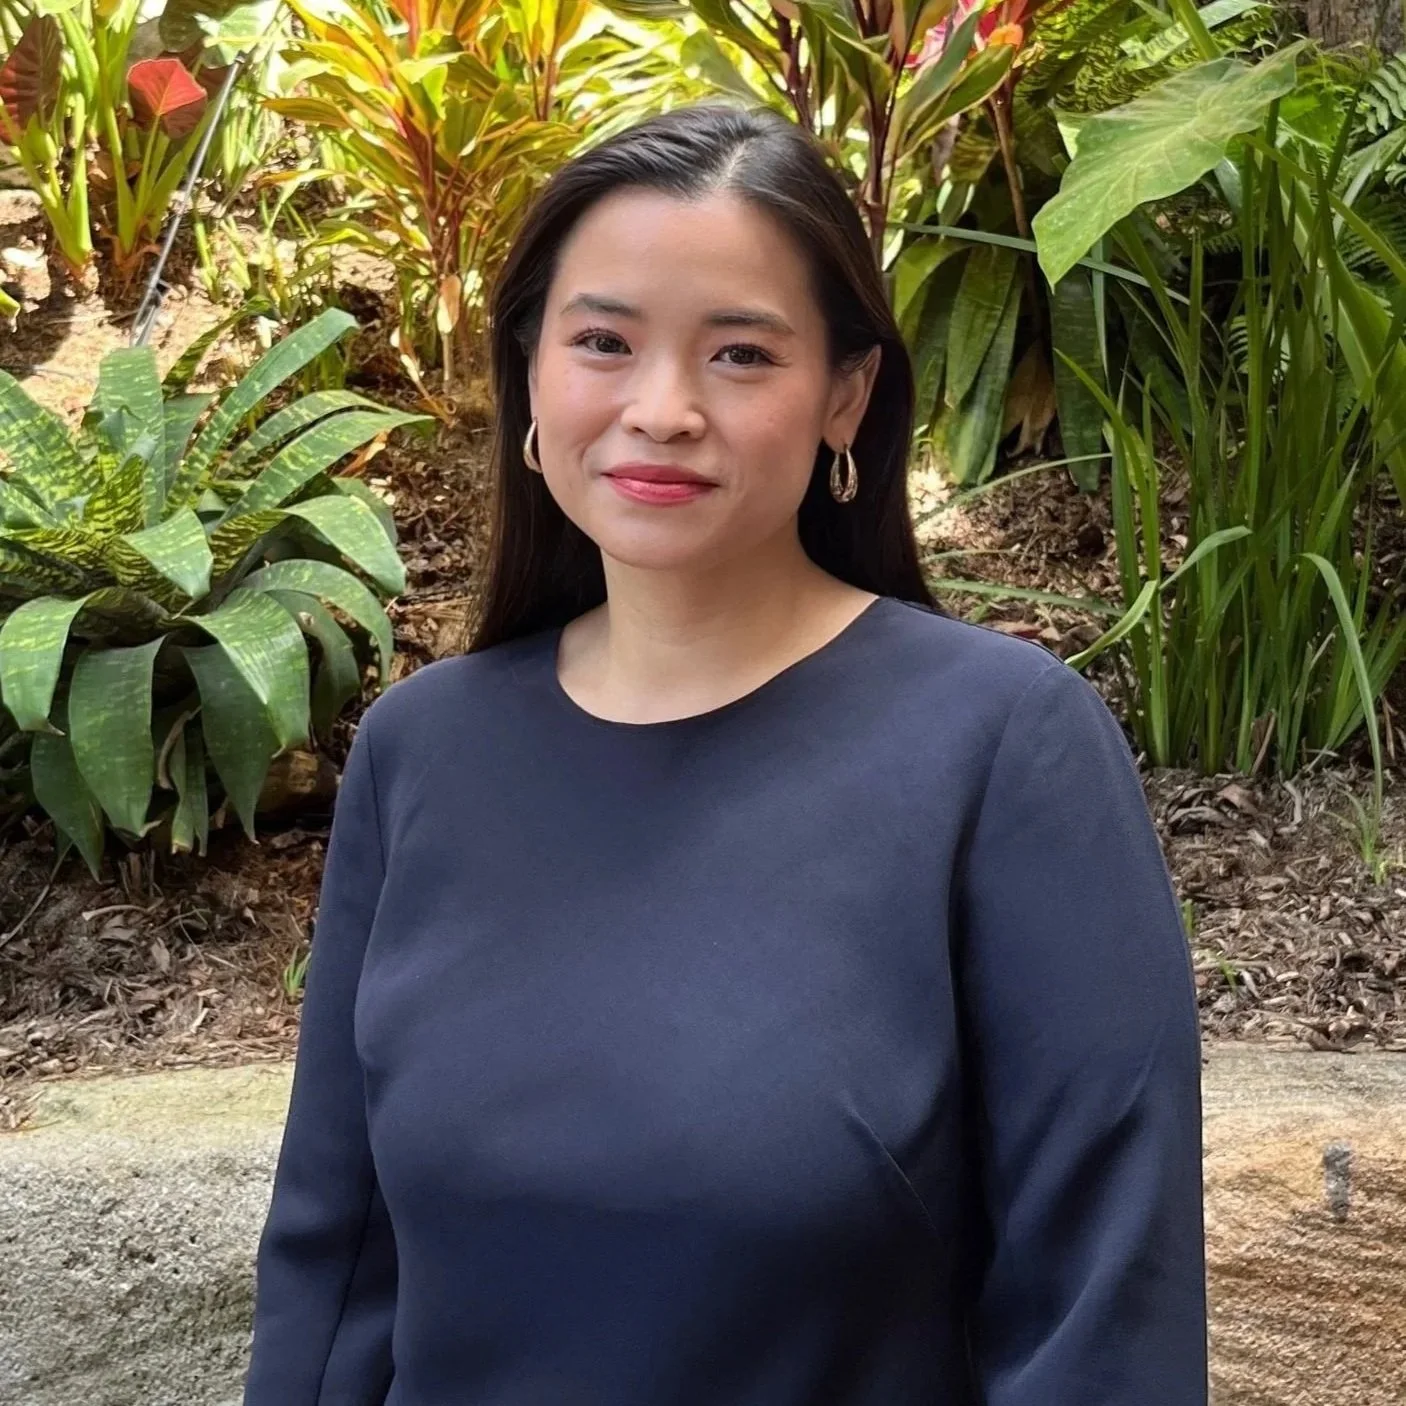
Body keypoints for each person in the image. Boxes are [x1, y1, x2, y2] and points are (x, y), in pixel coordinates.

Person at [242, 101, 1208, 1406]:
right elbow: (334, 1271)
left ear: (845, 395)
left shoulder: (1000, 749)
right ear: (530, 370)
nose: (661, 408)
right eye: (602, 342)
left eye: (740, 355)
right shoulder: (428, 748)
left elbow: (1104, 1320)